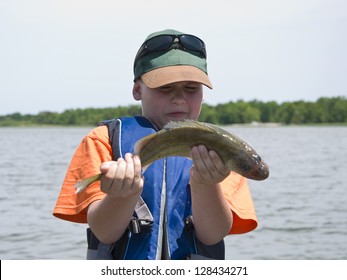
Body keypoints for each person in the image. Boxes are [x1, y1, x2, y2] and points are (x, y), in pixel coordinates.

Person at [53, 29, 258, 260]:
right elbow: (104, 232)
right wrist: (122, 195)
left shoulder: (219, 149)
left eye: (191, 88)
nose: (179, 98)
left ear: (203, 93)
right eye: (165, 87)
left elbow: (212, 235)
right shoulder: (102, 140)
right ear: (137, 89)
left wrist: (206, 184)